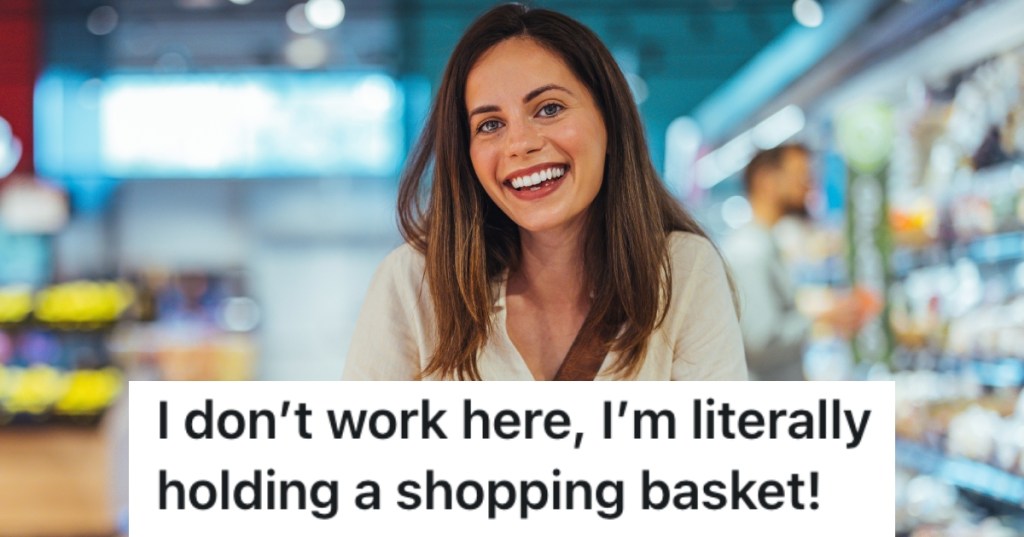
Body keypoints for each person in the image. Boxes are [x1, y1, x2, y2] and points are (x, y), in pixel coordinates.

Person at [343, 4, 746, 381]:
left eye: (549, 108)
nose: (520, 144)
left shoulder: (682, 272)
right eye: (489, 125)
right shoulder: (415, 283)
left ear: (610, 119)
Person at [723, 144, 866, 381]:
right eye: (800, 176)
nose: (809, 187)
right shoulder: (750, 251)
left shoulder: (765, 245)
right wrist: (821, 319)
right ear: (766, 181)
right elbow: (760, 339)